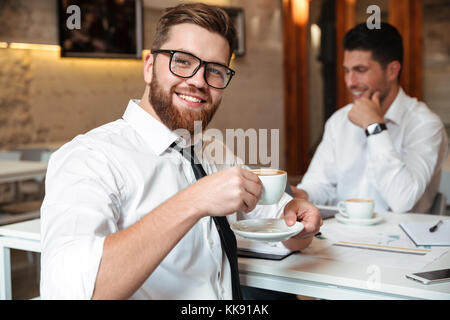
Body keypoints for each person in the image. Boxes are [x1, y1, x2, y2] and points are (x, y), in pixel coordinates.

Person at [40, 3, 322, 300]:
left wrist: (298, 225)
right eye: (183, 61)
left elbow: (277, 229)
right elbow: (72, 291)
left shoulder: (213, 150)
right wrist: (193, 201)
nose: (199, 81)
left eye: (214, 70)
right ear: (149, 67)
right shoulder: (89, 159)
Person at [292, 22, 448, 214]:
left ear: (392, 70)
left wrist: (374, 126)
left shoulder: (425, 125)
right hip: (342, 236)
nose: (350, 82)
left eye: (360, 70)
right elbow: (321, 185)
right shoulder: (339, 121)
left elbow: (402, 200)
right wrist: (302, 194)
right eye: (347, 70)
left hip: (402, 241)